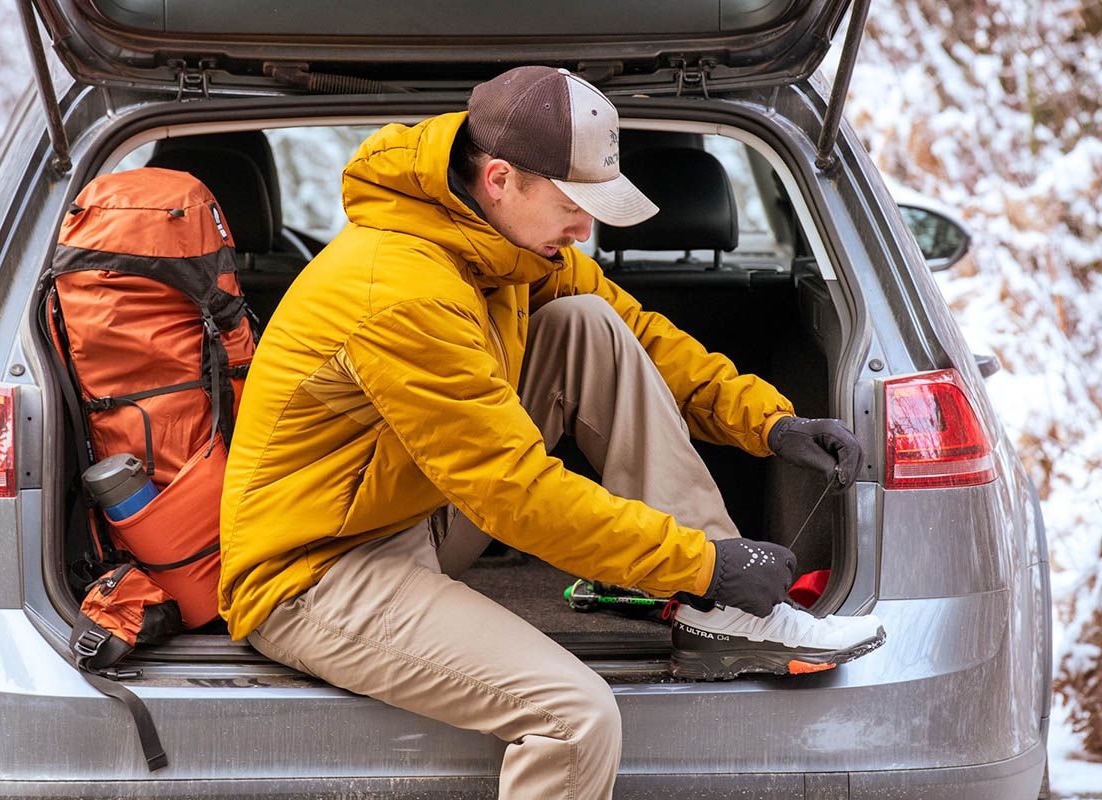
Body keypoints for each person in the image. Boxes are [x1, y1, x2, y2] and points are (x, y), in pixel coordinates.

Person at [219, 65, 885, 798]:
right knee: (575, 718)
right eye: (573, 204)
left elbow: (636, 332)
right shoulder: (401, 292)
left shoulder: (502, 245)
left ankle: (720, 620)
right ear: (501, 179)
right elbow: (514, 494)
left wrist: (771, 422)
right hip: (321, 571)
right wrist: (701, 563)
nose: (585, 229)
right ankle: (712, 593)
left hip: (412, 509)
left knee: (586, 326)